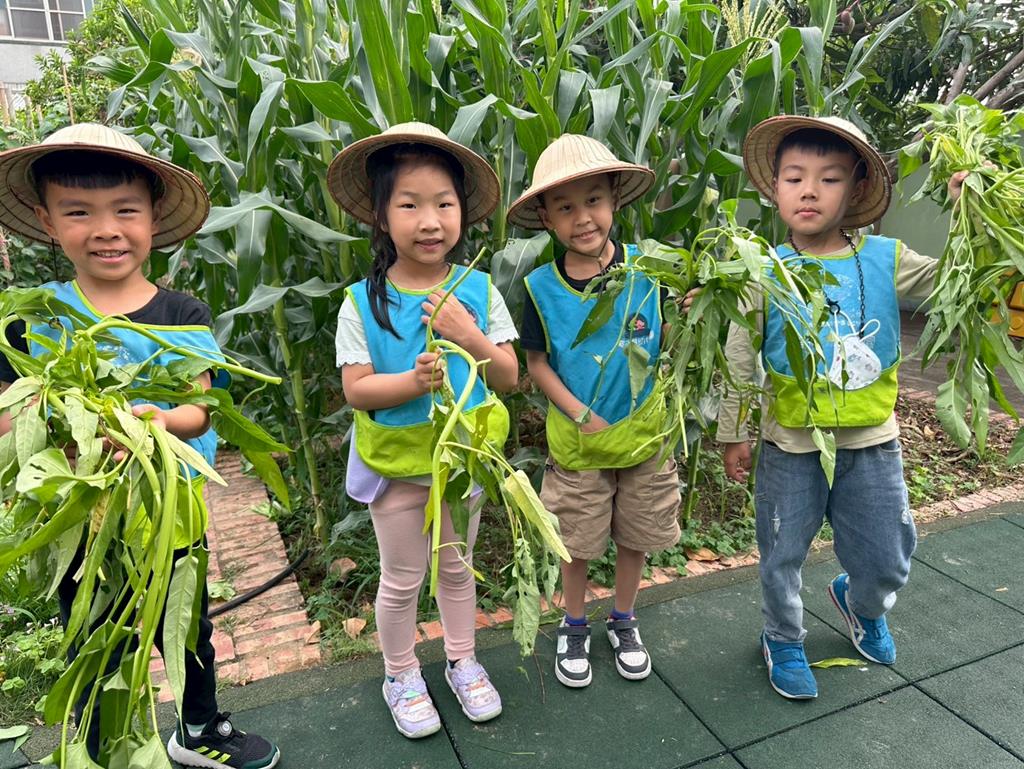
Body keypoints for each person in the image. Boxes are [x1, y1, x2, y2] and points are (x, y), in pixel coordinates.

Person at [0, 123, 280, 767]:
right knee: (94, 634)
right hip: (82, 515)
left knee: (186, 626)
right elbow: (11, 419)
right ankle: (104, 743)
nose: (106, 230)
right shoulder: (31, 319)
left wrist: (155, 421)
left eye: (125, 210)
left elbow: (200, 412)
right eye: (79, 212)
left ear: (153, 217)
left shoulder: (182, 315)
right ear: (46, 221)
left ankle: (199, 728)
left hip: (169, 508)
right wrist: (60, 423)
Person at [718, 115, 967, 700]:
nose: (809, 191)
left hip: (871, 440)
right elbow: (739, 353)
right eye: (794, 178)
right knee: (781, 552)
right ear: (774, 189)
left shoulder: (885, 258)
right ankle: (783, 637)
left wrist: (967, 213)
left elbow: (958, 281)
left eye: (829, 179)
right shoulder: (761, 269)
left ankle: (861, 603)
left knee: (887, 555)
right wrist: (734, 431)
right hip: (790, 443)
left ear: (856, 190)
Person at [330, 122, 518, 738]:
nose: (430, 221)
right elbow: (357, 390)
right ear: (382, 217)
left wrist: (468, 334)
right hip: (397, 469)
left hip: (463, 462)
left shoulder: (479, 291)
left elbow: (508, 376)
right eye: (409, 205)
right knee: (403, 577)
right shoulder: (362, 302)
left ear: (462, 211)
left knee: (458, 568)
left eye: (444, 204)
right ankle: (401, 673)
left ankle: (463, 660)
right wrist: (413, 382)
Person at [506, 134, 682, 689]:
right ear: (546, 218)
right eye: (565, 207)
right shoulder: (540, 288)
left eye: (594, 201)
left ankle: (624, 617)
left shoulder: (649, 270)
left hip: (645, 436)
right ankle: (575, 623)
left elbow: (665, 337)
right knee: (576, 540)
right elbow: (537, 364)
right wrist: (582, 415)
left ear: (614, 200)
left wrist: (690, 314)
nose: (583, 218)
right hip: (579, 443)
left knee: (636, 533)